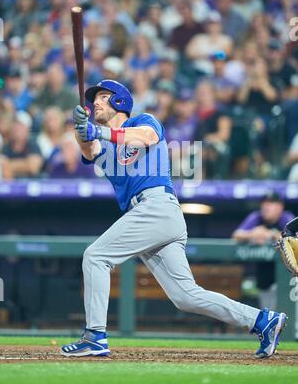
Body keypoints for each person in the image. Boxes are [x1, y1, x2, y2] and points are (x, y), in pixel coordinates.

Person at [61, 79, 287, 359]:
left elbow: (145, 138)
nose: (96, 102)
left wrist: (95, 131)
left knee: (95, 257)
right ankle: (262, 321)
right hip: (151, 216)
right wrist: (81, 130)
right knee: (186, 296)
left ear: (120, 101)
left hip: (157, 206)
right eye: (94, 99)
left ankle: (94, 336)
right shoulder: (104, 142)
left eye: (103, 97)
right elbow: (89, 150)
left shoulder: (143, 121)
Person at [232, 191, 295, 310]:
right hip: (265, 280)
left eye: (271, 203)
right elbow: (236, 235)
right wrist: (252, 234)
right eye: (264, 203)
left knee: (290, 320)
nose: (266, 207)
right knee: (270, 321)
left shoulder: (286, 218)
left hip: (288, 281)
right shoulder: (256, 217)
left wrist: (270, 234)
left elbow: (294, 239)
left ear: (280, 207)